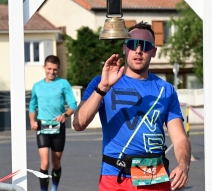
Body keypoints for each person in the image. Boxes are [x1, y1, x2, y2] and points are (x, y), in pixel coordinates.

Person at [73, 21, 191, 191]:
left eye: (145, 46)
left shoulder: (166, 90)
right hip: (115, 176)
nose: (138, 50)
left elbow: (179, 137)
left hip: (154, 173)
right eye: (132, 44)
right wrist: (103, 88)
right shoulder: (101, 82)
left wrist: (183, 165)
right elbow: (79, 123)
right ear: (124, 48)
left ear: (154, 52)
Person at [29, 55, 77, 191]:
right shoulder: (37, 86)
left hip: (58, 127)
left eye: (55, 69)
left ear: (58, 69)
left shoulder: (63, 84)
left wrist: (65, 115)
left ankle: (54, 188)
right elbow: (32, 106)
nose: (51, 72)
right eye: (49, 69)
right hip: (42, 127)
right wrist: (32, 121)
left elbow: (73, 104)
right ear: (44, 67)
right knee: (44, 163)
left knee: (56, 163)